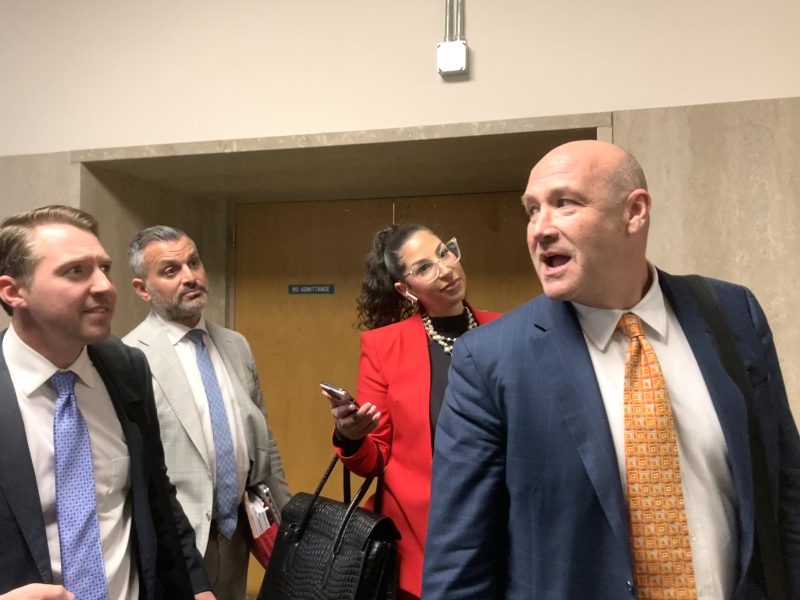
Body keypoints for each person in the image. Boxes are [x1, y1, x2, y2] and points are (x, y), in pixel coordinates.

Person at [422, 140, 800, 599]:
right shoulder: (490, 361)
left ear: (634, 212)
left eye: (564, 204)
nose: (539, 229)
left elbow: (785, 492)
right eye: (531, 210)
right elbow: (459, 565)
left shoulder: (733, 313)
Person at [0, 205, 214, 599]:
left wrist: (196, 587)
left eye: (104, 268)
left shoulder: (126, 368)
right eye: (75, 271)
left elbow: (156, 494)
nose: (104, 286)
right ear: (14, 292)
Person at [323, 224, 500, 599]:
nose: (446, 269)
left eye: (444, 252)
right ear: (405, 288)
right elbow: (375, 458)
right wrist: (351, 436)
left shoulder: (505, 331)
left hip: (501, 527)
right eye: (423, 268)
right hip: (421, 541)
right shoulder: (384, 346)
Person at [123, 226, 291, 600]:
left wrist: (289, 521)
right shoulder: (130, 357)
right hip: (176, 545)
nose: (191, 276)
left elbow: (262, 441)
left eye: (194, 262)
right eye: (171, 271)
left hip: (237, 534)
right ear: (142, 289)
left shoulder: (235, 345)